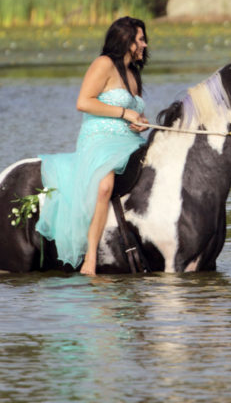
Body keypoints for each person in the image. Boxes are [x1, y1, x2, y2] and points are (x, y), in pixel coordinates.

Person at [36, 17, 150, 275]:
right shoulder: (103, 64)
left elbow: (133, 114)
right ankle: (89, 260)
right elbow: (84, 102)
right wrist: (124, 113)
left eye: (144, 39)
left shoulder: (133, 73)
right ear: (125, 40)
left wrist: (140, 122)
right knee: (105, 186)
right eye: (140, 39)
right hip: (99, 139)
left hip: (129, 141)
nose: (144, 44)